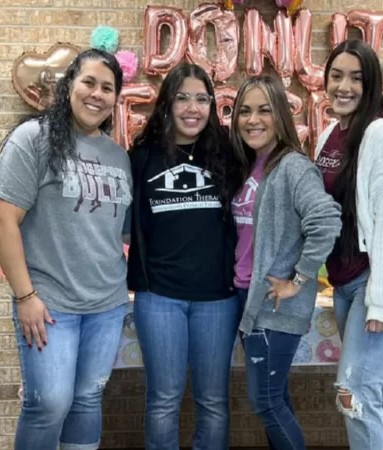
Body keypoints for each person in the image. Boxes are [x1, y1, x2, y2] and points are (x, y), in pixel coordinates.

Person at [0, 48, 131, 450]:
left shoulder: (119, 156)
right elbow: (2, 219)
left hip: (106, 305)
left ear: (116, 98)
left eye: (107, 88)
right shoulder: (34, 138)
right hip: (49, 305)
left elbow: (120, 232)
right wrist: (25, 296)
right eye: (89, 82)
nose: (97, 94)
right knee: (48, 403)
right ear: (69, 86)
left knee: (87, 400)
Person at [313, 39, 383, 450]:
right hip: (344, 283)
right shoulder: (329, 134)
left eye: (355, 78)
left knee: (353, 392)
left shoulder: (380, 136)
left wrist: (382, 301)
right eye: (336, 76)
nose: (343, 87)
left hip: (375, 283)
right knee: (377, 391)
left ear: (371, 84)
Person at [126, 62, 243, 450]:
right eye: (182, 98)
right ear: (167, 104)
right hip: (159, 296)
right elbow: (125, 223)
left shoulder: (229, 155)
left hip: (218, 298)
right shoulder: (142, 157)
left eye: (201, 99)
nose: (192, 108)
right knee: (163, 400)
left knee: (213, 401)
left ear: (212, 105)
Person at [230, 75, 342, 449]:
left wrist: (299, 279)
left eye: (264, 110)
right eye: (244, 111)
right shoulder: (248, 165)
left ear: (280, 115)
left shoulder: (293, 167)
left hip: (274, 306)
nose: (253, 119)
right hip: (248, 299)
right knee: (274, 399)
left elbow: (326, 221)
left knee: (265, 402)